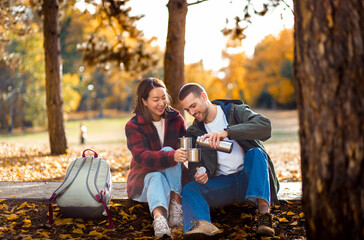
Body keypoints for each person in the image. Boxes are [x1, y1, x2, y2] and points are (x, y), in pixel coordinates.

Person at [178, 83, 280, 238]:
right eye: (187, 110)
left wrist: (227, 132)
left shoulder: (234, 111)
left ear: (204, 97)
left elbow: (265, 127)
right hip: (223, 185)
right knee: (190, 188)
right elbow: (194, 168)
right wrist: (200, 174)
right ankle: (201, 225)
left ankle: (264, 217)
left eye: (193, 106)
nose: (191, 112)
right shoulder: (194, 131)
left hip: (249, 179)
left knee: (257, 153)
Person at [125, 78, 189, 238]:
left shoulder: (176, 119)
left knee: (171, 152)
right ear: (144, 101)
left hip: (173, 181)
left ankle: (173, 206)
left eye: (163, 98)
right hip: (143, 182)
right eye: (155, 99)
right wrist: (171, 155)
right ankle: (160, 219)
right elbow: (142, 157)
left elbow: (186, 145)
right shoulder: (133, 125)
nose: (161, 103)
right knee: (156, 174)